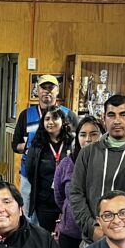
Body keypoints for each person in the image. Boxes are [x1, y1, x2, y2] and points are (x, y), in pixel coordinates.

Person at [69, 95, 125, 244]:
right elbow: (75, 193)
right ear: (103, 118)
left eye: (123, 114)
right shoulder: (88, 152)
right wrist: (92, 228)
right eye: (111, 115)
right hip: (93, 241)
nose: (117, 121)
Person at [14, 75, 75, 208]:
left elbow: (77, 142)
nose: (47, 91)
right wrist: (32, 148)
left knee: (63, 210)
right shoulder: (26, 114)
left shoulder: (68, 114)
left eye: (51, 88)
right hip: (29, 174)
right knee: (30, 213)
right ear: (37, 90)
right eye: (43, 87)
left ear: (57, 91)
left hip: (63, 175)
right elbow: (15, 145)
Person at [54, 116, 103, 248]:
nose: (88, 139)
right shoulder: (66, 163)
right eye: (83, 134)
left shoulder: (107, 164)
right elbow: (59, 195)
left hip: (99, 232)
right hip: (70, 231)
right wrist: (68, 210)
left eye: (93, 134)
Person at [25, 107, 73, 231]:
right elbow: (30, 171)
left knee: (66, 235)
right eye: (47, 119)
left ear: (63, 120)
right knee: (46, 236)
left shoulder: (72, 143)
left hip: (68, 200)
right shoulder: (37, 144)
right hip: (45, 201)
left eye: (55, 118)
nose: (50, 122)